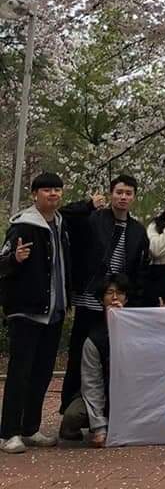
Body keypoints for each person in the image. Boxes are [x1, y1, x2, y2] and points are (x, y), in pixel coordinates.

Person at [60, 174, 148, 416]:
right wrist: (87, 205)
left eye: (128, 193)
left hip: (118, 302)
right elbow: (65, 216)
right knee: (79, 352)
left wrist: (133, 301)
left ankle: (110, 410)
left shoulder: (138, 230)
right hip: (90, 297)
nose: (123, 197)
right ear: (111, 194)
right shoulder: (94, 219)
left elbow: (139, 269)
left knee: (113, 355)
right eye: (119, 192)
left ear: (134, 197)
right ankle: (70, 409)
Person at [0, 172, 70, 454]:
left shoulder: (61, 224)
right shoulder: (23, 226)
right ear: (34, 194)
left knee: (42, 373)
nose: (53, 194)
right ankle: (9, 433)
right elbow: (2, 261)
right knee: (20, 373)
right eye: (46, 190)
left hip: (54, 311)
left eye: (57, 189)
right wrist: (14, 259)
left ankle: (30, 427)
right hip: (27, 310)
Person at [59, 275, 128, 447]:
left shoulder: (138, 330)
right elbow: (92, 383)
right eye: (109, 293)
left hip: (127, 394)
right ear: (101, 299)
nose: (115, 298)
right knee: (73, 416)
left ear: (126, 299)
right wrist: (99, 428)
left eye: (120, 293)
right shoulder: (93, 338)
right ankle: (92, 425)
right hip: (101, 393)